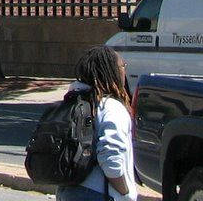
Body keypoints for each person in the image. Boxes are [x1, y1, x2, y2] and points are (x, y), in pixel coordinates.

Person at [58, 46, 141, 200]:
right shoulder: (111, 107)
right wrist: (125, 192)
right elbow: (110, 157)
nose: (124, 71)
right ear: (110, 71)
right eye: (122, 66)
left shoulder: (72, 103)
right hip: (100, 194)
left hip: (68, 190)